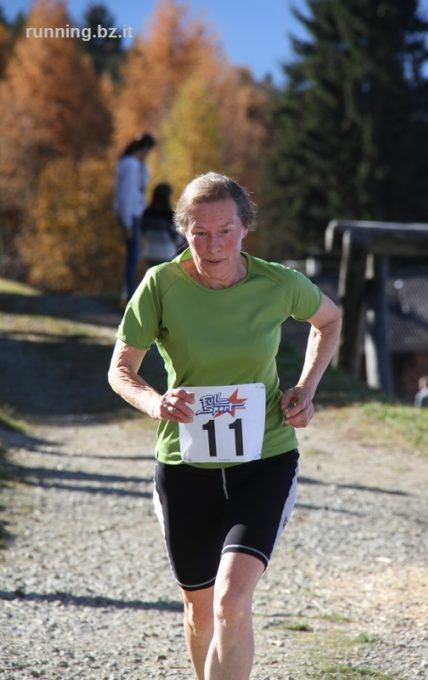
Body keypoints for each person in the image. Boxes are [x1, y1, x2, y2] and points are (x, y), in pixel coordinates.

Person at [108, 172, 341, 680]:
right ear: (183, 232)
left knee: (231, 602)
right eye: (199, 232)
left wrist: (305, 387)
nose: (212, 245)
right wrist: (154, 403)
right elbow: (120, 370)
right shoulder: (161, 286)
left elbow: (329, 319)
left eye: (225, 230)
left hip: (264, 461)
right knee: (199, 608)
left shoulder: (277, 283)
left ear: (246, 228)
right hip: (185, 467)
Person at [113, 132, 155, 302]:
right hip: (132, 216)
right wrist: (127, 223)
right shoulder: (130, 165)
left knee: (134, 256)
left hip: (133, 214)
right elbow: (127, 195)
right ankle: (129, 294)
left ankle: (128, 292)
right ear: (144, 149)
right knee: (134, 257)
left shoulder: (131, 164)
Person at [141, 182, 180, 268]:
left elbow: (142, 233)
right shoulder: (169, 215)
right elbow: (177, 238)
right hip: (167, 254)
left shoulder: (147, 213)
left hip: (150, 253)